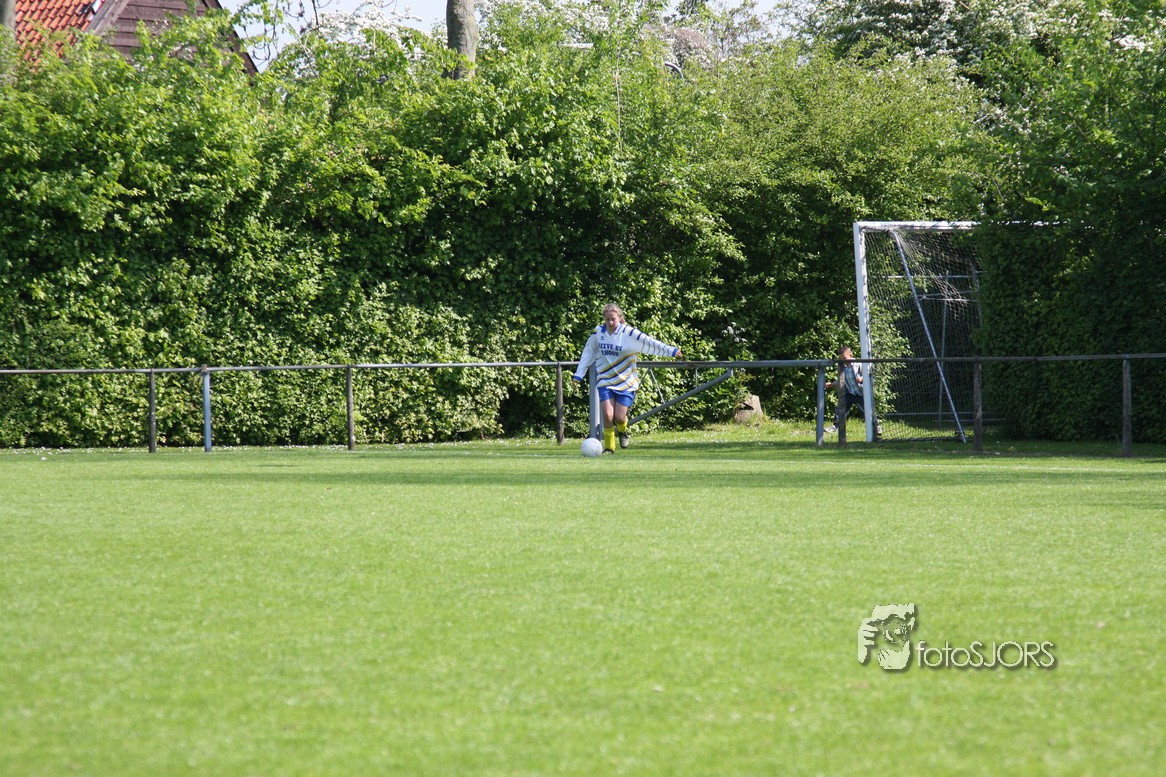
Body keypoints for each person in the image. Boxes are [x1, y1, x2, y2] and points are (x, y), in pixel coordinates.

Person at [573, 303, 683, 454]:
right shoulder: (598, 333)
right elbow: (588, 353)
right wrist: (578, 375)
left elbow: (649, 342)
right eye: (607, 319)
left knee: (619, 417)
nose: (610, 322)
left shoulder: (629, 333)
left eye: (613, 319)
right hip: (605, 379)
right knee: (607, 415)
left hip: (627, 381)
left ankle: (622, 430)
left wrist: (671, 351)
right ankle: (609, 448)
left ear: (619, 318)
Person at [825, 345, 870, 434]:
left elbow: (868, 374)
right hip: (850, 393)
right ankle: (835, 426)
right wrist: (832, 384)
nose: (843, 361)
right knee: (841, 409)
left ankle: (876, 426)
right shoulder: (843, 367)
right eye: (841, 359)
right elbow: (841, 381)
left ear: (851, 355)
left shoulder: (859, 364)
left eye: (845, 358)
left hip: (861, 393)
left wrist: (862, 378)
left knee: (868, 411)